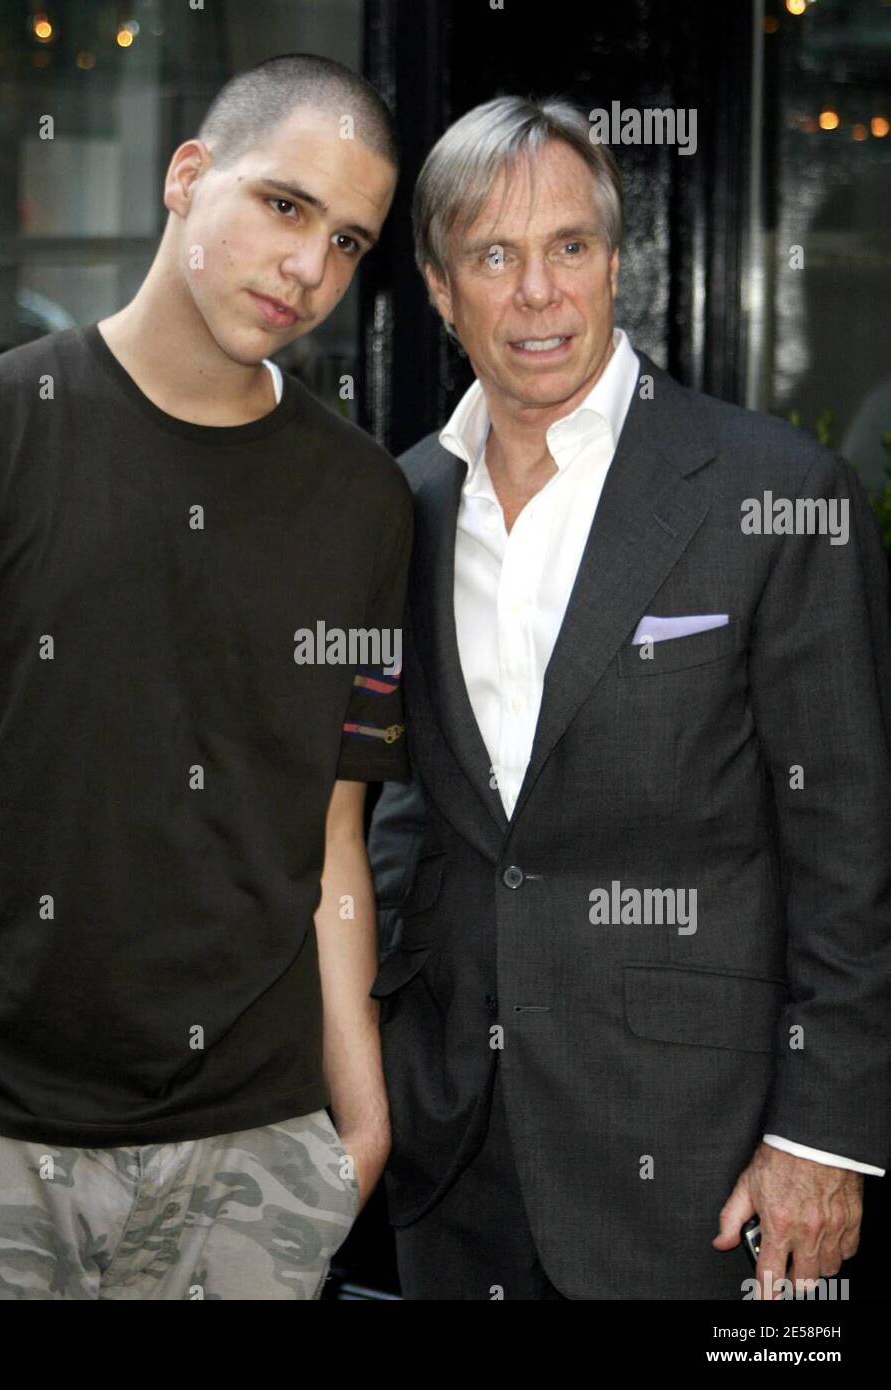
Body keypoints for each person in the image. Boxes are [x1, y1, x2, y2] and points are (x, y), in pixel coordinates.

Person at [0, 53, 409, 1302]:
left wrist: (357, 1135)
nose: (309, 267)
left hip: (247, 1162)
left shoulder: (363, 499)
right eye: (284, 205)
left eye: (349, 240)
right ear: (186, 178)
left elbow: (332, 837)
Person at [367, 95, 891, 1300]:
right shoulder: (395, 508)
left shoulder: (775, 492)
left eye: (567, 247)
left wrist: (820, 1138)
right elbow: (401, 821)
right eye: (493, 255)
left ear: (616, 263)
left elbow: (848, 844)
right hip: (452, 1154)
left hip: (706, 1167)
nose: (537, 292)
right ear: (441, 292)